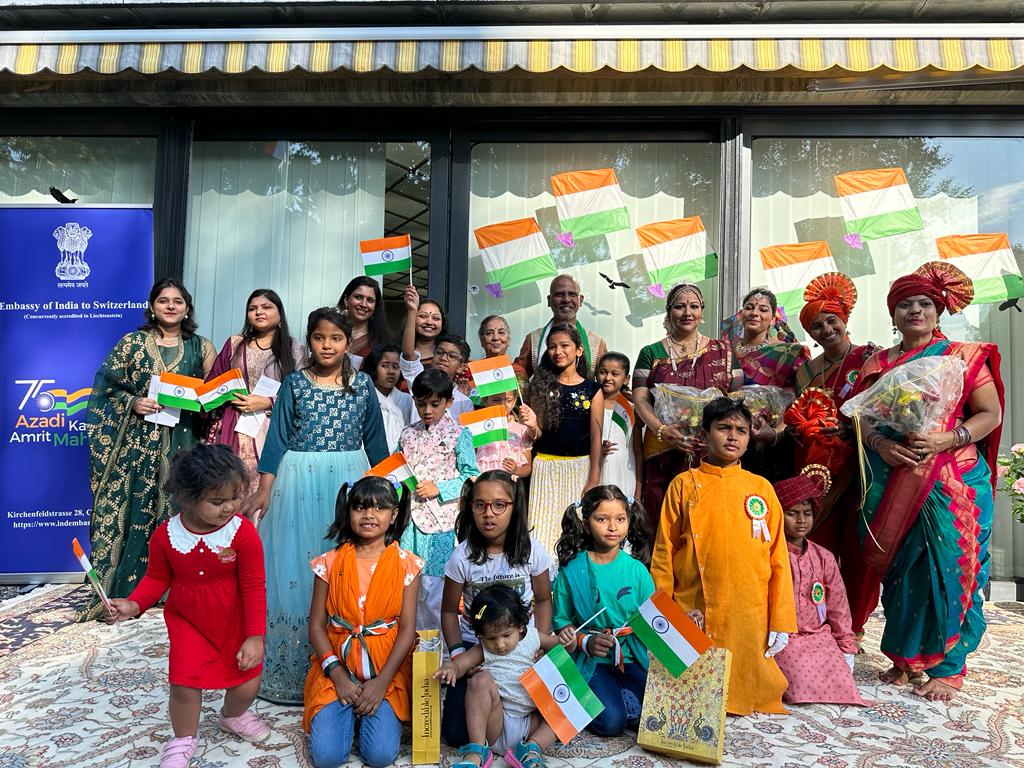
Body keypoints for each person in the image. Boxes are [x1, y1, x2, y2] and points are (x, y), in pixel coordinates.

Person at [855, 262, 1003, 702]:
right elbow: (862, 417)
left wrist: (947, 438)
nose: (915, 311)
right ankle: (905, 659)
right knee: (901, 571)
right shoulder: (878, 362)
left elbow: (989, 414)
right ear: (893, 314)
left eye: (924, 303)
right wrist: (880, 443)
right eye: (905, 304)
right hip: (893, 474)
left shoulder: (961, 356)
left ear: (939, 311)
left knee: (952, 567)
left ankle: (949, 667)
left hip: (954, 479)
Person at [241, 307, 389, 704]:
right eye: (320, 338)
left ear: (347, 343)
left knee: (342, 565)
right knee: (297, 568)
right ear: (309, 341)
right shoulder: (293, 384)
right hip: (297, 484)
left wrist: (387, 492)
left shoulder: (363, 385)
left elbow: (376, 443)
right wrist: (264, 489)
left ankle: (346, 663)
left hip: (347, 485)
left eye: (336, 339)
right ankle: (293, 671)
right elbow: (277, 440)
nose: (327, 345)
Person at [107, 444, 269, 768]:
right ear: (189, 498)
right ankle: (183, 738)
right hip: (188, 621)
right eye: (218, 502)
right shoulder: (165, 536)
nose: (229, 508)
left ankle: (232, 715)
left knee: (247, 680)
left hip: (235, 621)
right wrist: (135, 604)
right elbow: (156, 578)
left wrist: (255, 637)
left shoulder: (243, 533)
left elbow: (254, 586)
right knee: (184, 682)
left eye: (235, 498)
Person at [79, 278, 216, 621]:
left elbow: (214, 395)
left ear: (187, 308)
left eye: (178, 301)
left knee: (181, 506)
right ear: (152, 307)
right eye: (163, 300)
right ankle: (127, 587)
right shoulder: (132, 344)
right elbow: (105, 388)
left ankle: (180, 588)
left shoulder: (202, 347)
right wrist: (133, 402)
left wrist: (203, 400)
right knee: (134, 507)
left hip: (184, 443)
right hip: (137, 443)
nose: (171, 306)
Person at [650, 397, 797, 715]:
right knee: (694, 694)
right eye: (724, 428)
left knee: (747, 679)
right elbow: (664, 552)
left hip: (748, 609)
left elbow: (778, 559)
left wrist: (781, 619)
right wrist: (662, 613)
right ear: (705, 435)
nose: (733, 436)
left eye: (741, 430)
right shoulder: (684, 484)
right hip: (695, 605)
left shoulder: (761, 489)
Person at [303, 477, 421, 768]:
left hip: (386, 671)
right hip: (338, 668)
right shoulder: (329, 563)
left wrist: (381, 683)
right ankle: (345, 711)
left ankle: (370, 709)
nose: (369, 514)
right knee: (327, 758)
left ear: (394, 515)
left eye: (380, 508)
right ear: (348, 511)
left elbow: (407, 630)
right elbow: (316, 626)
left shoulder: (407, 564)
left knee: (380, 756)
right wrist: (338, 676)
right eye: (360, 507)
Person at [793, 273, 879, 639]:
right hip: (818, 470)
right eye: (817, 326)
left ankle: (854, 626)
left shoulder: (870, 358)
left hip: (862, 466)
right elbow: (797, 414)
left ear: (844, 319)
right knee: (818, 542)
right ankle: (815, 620)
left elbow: (882, 409)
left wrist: (850, 430)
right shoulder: (806, 371)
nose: (826, 330)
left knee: (859, 548)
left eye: (832, 321)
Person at [440, 470, 552, 747]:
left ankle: (528, 738)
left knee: (560, 704)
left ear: (515, 507)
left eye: (499, 505)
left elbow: (543, 599)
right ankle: (493, 724)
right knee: (456, 734)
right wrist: (459, 654)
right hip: (478, 645)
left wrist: (540, 642)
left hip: (521, 643)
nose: (488, 514)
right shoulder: (462, 557)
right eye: (480, 505)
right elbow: (449, 611)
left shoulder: (531, 550)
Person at [553, 486, 654, 736]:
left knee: (658, 714)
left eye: (620, 519)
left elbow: (654, 620)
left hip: (631, 658)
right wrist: (585, 641)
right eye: (602, 519)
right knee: (612, 723)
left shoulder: (638, 571)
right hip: (592, 662)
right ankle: (594, 698)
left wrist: (684, 619)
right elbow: (561, 623)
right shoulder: (572, 570)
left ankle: (621, 699)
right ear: (586, 523)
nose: (612, 527)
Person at [632, 283, 733, 525]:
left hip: (710, 452)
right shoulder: (650, 352)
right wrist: (661, 430)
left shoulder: (723, 351)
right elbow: (640, 399)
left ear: (702, 311)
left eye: (694, 306)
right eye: (679, 307)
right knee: (662, 519)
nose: (687, 313)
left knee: (708, 519)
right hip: (662, 450)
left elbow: (735, 399)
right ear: (669, 312)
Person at [434, 585, 563, 768]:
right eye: (491, 638)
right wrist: (450, 667)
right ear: (480, 635)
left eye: (506, 635)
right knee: (480, 680)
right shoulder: (483, 649)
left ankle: (532, 749)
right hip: (497, 724)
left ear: (520, 626)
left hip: (531, 724)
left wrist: (569, 640)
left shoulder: (534, 638)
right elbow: (460, 664)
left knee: (566, 698)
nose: (500, 644)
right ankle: (477, 751)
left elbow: (560, 646)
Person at [771, 467, 868, 707]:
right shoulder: (770, 554)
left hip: (818, 635)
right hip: (783, 637)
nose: (801, 521)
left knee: (842, 683)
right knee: (799, 686)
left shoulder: (824, 556)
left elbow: (838, 606)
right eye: (792, 513)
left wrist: (846, 646)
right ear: (778, 515)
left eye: (807, 513)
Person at [399, 368, 480, 630]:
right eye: (421, 404)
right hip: (410, 523)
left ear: (449, 402)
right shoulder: (407, 434)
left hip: (442, 523)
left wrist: (440, 488)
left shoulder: (459, 434)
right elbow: (398, 471)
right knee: (410, 587)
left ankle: (442, 648)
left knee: (437, 589)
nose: (427, 410)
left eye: (434, 404)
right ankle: (412, 646)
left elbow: (471, 475)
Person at [205, 289, 305, 490]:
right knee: (232, 486)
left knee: (270, 490)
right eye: (253, 309)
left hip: (274, 425)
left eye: (267, 307)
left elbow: (303, 391)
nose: (259, 312)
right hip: (235, 424)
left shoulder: (293, 347)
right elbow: (213, 385)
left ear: (279, 314)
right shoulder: (235, 344)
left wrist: (268, 402)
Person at [525, 321, 604, 559]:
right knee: (541, 534)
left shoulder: (593, 390)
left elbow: (596, 438)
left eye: (564, 345)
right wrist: (532, 425)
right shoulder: (539, 386)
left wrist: (593, 479)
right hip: (545, 468)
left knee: (576, 535)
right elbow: (537, 435)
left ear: (579, 350)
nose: (558, 351)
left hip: (579, 469)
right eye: (552, 346)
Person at [721, 287, 810, 482]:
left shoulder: (788, 354)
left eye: (763, 309)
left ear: (772, 319)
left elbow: (802, 402)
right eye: (749, 307)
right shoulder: (724, 351)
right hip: (728, 439)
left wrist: (775, 433)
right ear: (741, 315)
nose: (754, 313)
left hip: (770, 444)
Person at [513, 274, 608, 381]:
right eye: (559, 295)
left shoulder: (596, 342)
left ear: (580, 300)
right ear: (549, 300)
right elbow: (518, 377)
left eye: (572, 294)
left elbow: (607, 383)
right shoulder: (534, 339)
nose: (566, 299)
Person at [401, 285, 474, 417]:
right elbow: (408, 355)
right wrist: (412, 310)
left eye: (452, 356)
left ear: (462, 367)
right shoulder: (419, 379)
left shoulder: (464, 402)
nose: (444, 358)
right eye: (439, 352)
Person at [595, 352, 640, 499]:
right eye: (603, 372)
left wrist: (638, 492)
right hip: (597, 471)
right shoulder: (590, 406)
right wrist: (597, 450)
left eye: (614, 374)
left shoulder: (631, 409)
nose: (607, 378)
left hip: (625, 471)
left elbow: (638, 452)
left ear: (626, 379)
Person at [364, 343, 413, 453]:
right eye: (385, 366)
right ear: (374, 367)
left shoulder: (407, 400)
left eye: (396, 366)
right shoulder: (365, 399)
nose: (391, 372)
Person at [471, 392, 533, 478]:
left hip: (508, 484)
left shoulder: (521, 430)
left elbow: (528, 468)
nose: (503, 404)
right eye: (496, 400)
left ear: (514, 401)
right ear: (485, 401)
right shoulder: (478, 427)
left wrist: (517, 470)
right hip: (484, 482)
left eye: (508, 400)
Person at [338, 276, 390, 364]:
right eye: (358, 297)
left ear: (375, 307)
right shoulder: (329, 332)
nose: (363, 304)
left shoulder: (381, 342)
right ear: (346, 300)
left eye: (370, 300)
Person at [400, 283, 447, 372]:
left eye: (436, 318)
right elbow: (408, 354)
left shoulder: (447, 357)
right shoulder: (398, 354)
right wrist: (412, 309)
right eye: (423, 316)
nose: (429, 322)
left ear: (443, 323)